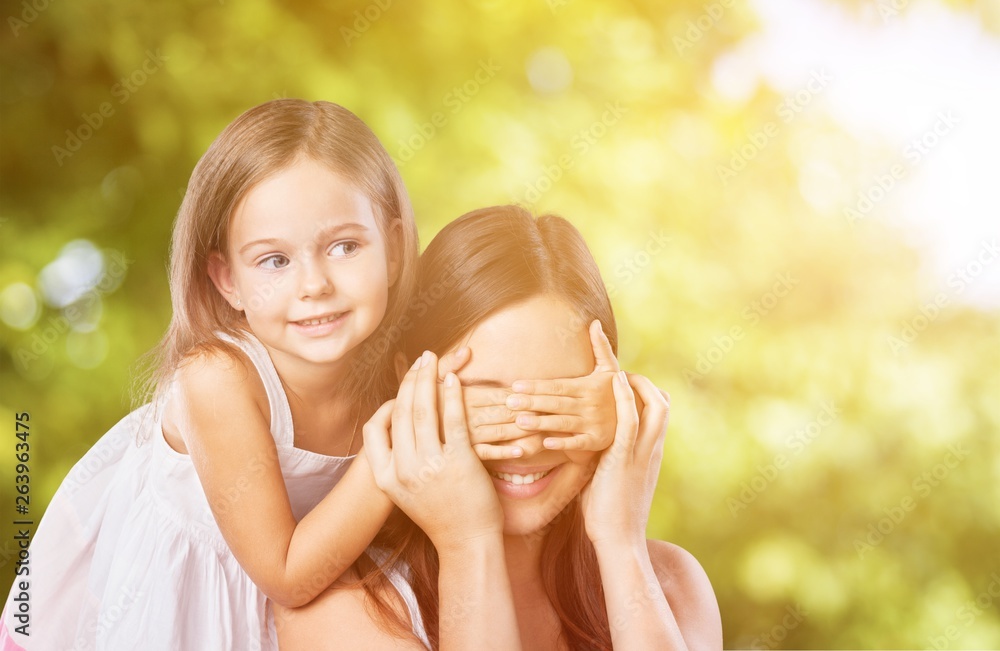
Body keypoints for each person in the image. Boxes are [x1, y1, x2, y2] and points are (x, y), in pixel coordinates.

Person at [0, 101, 625, 651]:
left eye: (345, 247)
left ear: (395, 247)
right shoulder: (217, 380)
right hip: (191, 600)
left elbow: (485, 404)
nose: (315, 285)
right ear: (227, 281)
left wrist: (599, 412)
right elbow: (287, 572)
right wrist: (389, 451)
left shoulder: (391, 365)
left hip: (306, 612)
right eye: (274, 260)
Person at [275, 205, 723, 650]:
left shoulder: (671, 585)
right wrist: (467, 542)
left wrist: (621, 544)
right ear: (407, 384)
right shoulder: (342, 607)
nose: (524, 444)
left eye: (557, 400)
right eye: (486, 399)